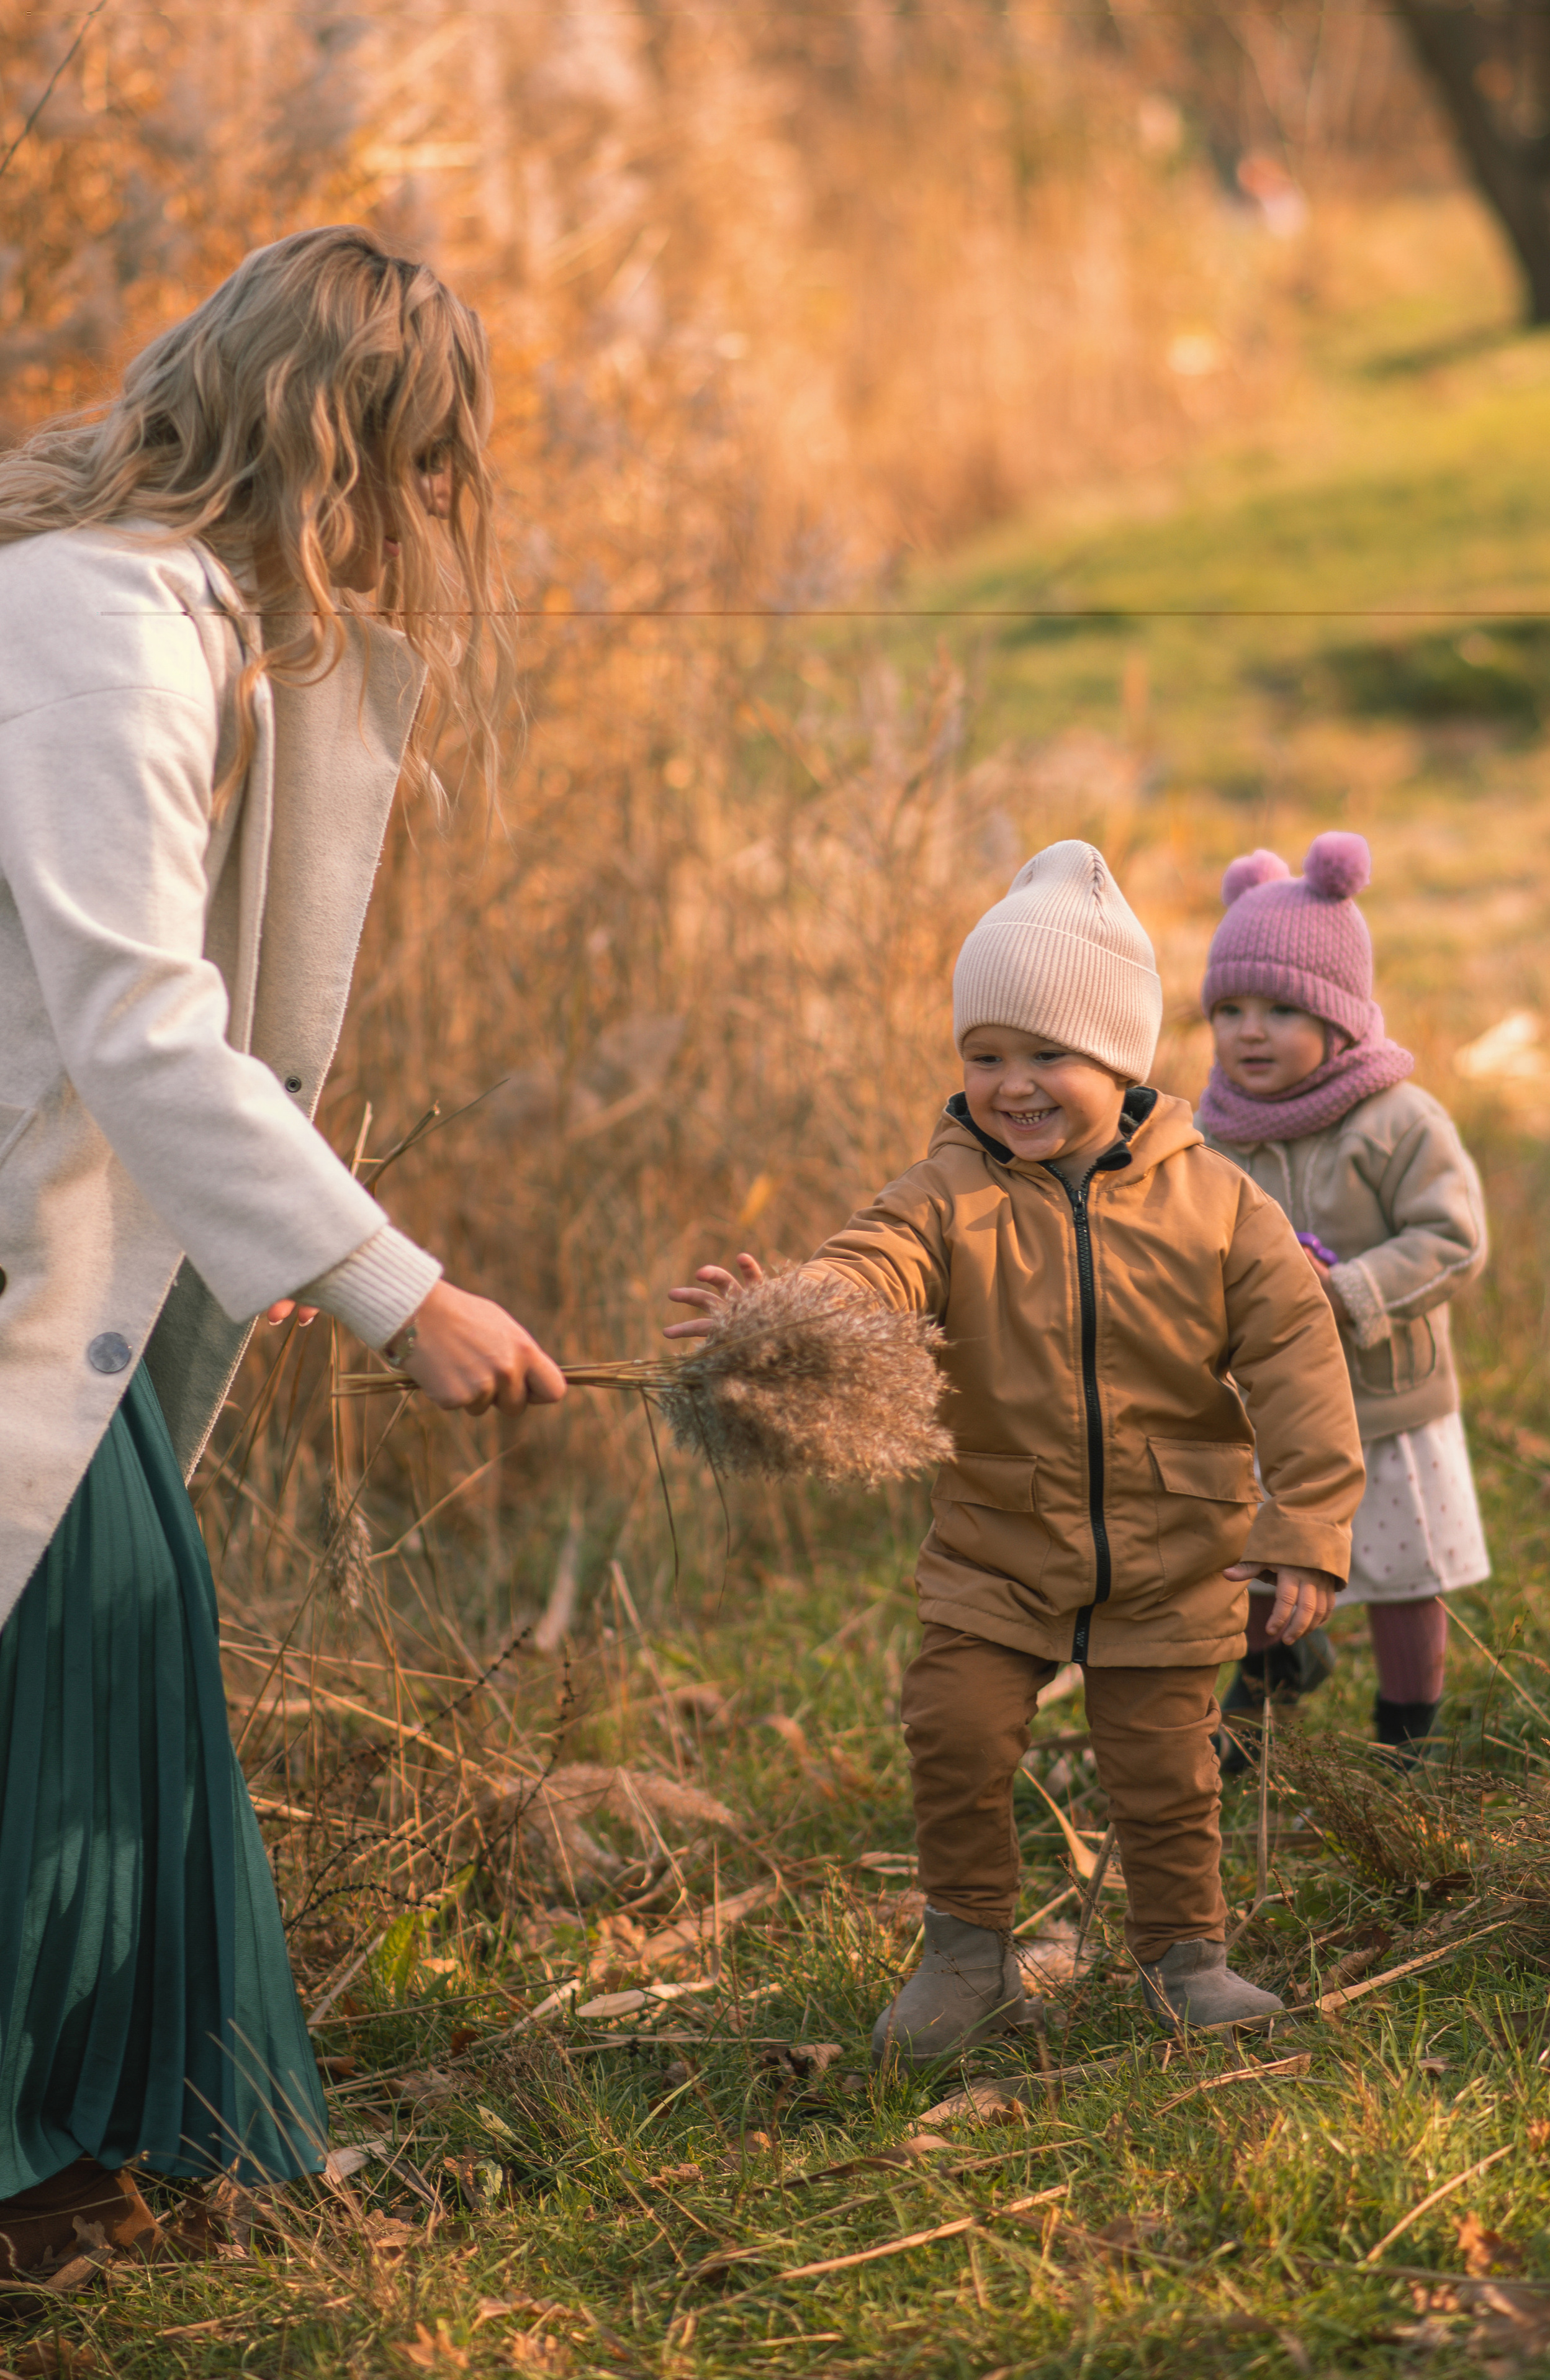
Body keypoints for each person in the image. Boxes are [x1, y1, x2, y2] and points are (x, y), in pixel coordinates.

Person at [0, 226, 565, 2275]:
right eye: (421, 464)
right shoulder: (99, 626)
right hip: (18, 1254)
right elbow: (139, 1023)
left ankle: (115, 2154)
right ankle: (71, 2158)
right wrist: (396, 1288)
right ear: (338, 449)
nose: (429, 513)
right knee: (101, 1631)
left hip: (53, 1257)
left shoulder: (175, 619)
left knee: (120, 1633)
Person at [667, 842, 1363, 2065]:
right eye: (984, 1056)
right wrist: (786, 1316)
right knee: (955, 1729)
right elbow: (868, 1264)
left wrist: (1304, 1526)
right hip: (997, 1540)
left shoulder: (1217, 1207)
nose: (1011, 1085)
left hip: (1172, 1546)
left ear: (1119, 1057)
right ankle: (966, 1956)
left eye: (1046, 1055)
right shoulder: (944, 1197)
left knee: (1165, 1766)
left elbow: (1298, 1364)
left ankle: (1183, 1959)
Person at [1197, 834, 1489, 1766]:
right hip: (1270, 1406)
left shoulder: (1396, 1120)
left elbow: (1454, 1238)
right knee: (1254, 1553)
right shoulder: (1213, 1136)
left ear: (1342, 1018)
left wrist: (1351, 1288)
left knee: (1401, 1573)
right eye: (1230, 1010)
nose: (1250, 1031)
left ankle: (1409, 1733)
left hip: (1386, 1400)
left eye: (1281, 1009)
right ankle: (1272, 1677)